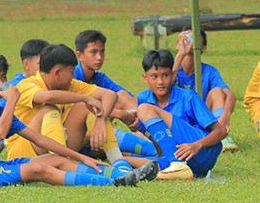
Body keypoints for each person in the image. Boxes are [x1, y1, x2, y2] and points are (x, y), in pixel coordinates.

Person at [0, 52, 156, 188]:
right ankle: (109, 183)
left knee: (57, 159)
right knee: (38, 169)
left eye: (3, 77)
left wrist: (80, 157)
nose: (2, 83)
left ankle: (120, 174)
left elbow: (40, 139)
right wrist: (12, 99)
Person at [5, 44, 147, 181]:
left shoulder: (70, 84)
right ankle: (62, 165)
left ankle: (119, 164)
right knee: (49, 108)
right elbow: (46, 97)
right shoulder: (26, 84)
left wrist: (101, 120)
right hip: (24, 154)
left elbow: (110, 95)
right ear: (58, 73)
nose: (73, 77)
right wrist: (86, 98)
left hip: (58, 146)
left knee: (86, 108)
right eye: (72, 72)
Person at [136, 49, 227, 179]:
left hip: (201, 151)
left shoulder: (188, 97)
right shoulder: (143, 97)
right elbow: (154, 137)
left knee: (145, 109)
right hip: (182, 157)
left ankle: (177, 165)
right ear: (145, 77)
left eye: (165, 75)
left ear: (173, 75)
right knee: (126, 159)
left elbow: (221, 131)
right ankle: (178, 168)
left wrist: (197, 145)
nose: (160, 82)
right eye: (154, 76)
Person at [73, 29, 156, 158]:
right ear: (80, 55)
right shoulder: (72, 77)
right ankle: (156, 146)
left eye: (102, 51)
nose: (99, 57)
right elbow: (80, 110)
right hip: (79, 140)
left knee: (121, 96)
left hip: (99, 142)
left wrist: (139, 116)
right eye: (93, 52)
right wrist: (119, 114)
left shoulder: (100, 78)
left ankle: (156, 137)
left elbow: (125, 97)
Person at [172, 27, 238, 152]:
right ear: (177, 45)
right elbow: (166, 86)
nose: (191, 44)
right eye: (187, 39)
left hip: (201, 120)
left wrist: (225, 116)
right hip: (179, 120)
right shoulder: (171, 69)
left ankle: (221, 136)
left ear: (203, 48)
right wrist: (181, 54)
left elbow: (230, 95)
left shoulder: (209, 71)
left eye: (195, 40)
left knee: (217, 91)